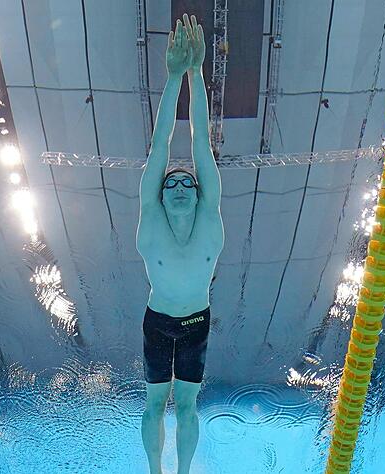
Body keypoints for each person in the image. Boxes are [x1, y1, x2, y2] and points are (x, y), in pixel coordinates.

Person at [136, 14, 224, 474]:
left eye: (187, 181)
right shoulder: (150, 219)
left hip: (195, 324)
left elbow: (201, 143)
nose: (179, 185)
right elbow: (160, 146)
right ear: (159, 196)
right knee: (154, 408)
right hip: (157, 324)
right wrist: (174, 76)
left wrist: (196, 73)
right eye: (170, 183)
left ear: (199, 192)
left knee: (186, 409)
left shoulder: (211, 218)